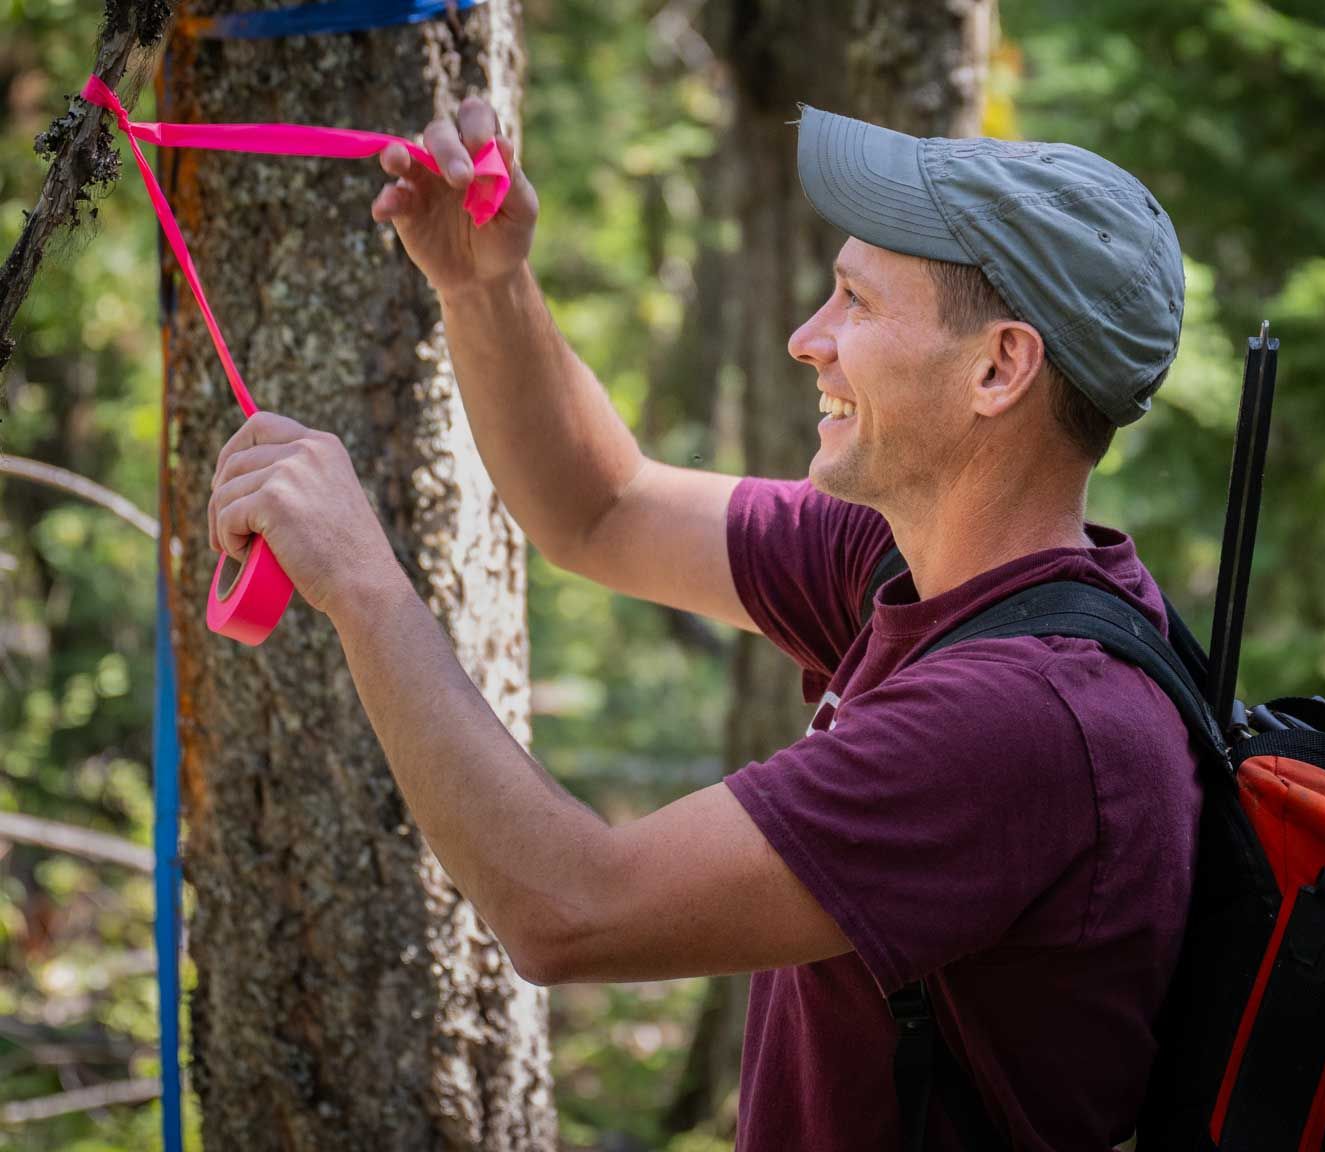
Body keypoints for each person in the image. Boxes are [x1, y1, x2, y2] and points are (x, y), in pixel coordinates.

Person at [207, 101, 1203, 1150]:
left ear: (999, 368)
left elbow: (568, 909)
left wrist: (363, 583)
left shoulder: (1021, 722)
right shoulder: (913, 568)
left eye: (855, 302)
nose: (805, 338)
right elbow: (603, 508)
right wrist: (483, 284)